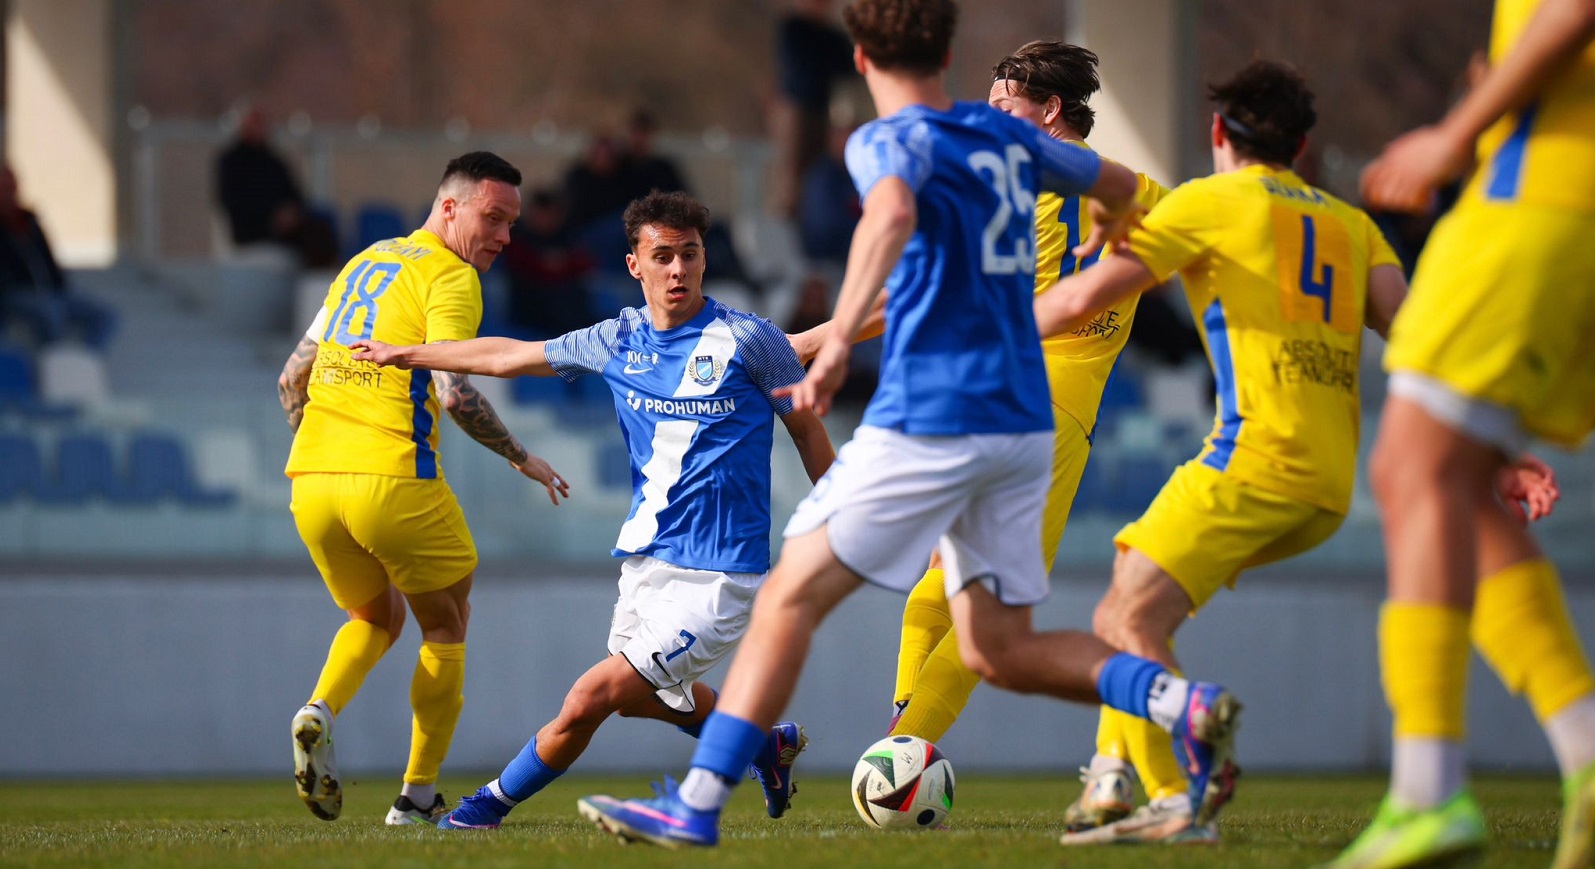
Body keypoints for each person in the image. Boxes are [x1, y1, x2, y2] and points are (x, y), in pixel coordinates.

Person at [576, 0, 1240, 849]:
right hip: (1027, 428)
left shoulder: (905, 137)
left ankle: (697, 804)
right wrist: (1116, 219)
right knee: (992, 641)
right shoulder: (1029, 151)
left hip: (944, 404)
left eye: (1010, 92)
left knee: (789, 593)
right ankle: (1175, 700)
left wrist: (827, 351)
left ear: (859, 60)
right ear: (950, 48)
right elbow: (1125, 190)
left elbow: (890, 230)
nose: (998, 101)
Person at [1030, 59, 1560, 847]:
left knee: (1118, 617)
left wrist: (961, 342)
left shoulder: (1207, 203)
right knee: (1135, 598)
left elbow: (1076, 300)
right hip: (1327, 482)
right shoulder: (1351, 226)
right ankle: (1119, 774)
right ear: (1301, 145)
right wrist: (1504, 453)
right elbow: (1418, 346)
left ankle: (1176, 792)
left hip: (1249, 459)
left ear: (1217, 133)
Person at [350, 190, 836, 830]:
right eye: (662, 256)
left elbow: (806, 432)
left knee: (590, 697)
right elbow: (507, 356)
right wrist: (408, 353)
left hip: (719, 576)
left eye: (689, 255)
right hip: (646, 564)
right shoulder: (615, 339)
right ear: (635, 265)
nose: (678, 271)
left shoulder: (750, 341)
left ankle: (480, 810)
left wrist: (840, 519)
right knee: (643, 701)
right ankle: (767, 749)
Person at [1330, 0, 1595, 865]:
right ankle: (1586, 753)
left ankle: (1426, 789)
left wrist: (1457, 129)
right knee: (1456, 490)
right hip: (1561, 205)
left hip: (1536, 199)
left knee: (1412, 464)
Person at [276, 151, 569, 826]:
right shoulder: (453, 276)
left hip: (312, 481)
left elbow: (293, 376)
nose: (502, 236)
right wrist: (518, 454)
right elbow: (455, 390)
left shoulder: (366, 262)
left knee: (374, 617)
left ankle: (318, 709)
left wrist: (319, 448)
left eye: (511, 223)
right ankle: (416, 795)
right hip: (395, 478)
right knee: (446, 623)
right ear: (449, 208)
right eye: (492, 218)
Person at [0, 167, 116, 350]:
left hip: (50, 290)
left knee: (106, 315)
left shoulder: (29, 221)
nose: (9, 192)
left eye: (11, 186)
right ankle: (53, 357)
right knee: (50, 313)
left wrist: (59, 283)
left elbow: (47, 258)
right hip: (17, 293)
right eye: (4, 187)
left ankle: (84, 357)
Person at [215, 105, 338, 268]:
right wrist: (271, 216)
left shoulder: (273, 162)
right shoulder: (232, 162)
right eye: (254, 123)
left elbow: (295, 194)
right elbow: (232, 200)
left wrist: (291, 214)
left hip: (287, 229)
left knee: (319, 230)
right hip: (253, 229)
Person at [770, 0, 860, 216]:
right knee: (794, 172)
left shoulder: (830, 35)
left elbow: (848, 65)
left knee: (817, 173)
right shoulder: (794, 28)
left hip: (823, 111)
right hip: (797, 110)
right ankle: (789, 216)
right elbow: (802, 69)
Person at [500, 187, 599, 338]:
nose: (545, 219)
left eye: (551, 215)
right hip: (528, 300)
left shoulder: (568, 234)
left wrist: (561, 263)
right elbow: (520, 265)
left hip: (568, 299)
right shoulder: (516, 235)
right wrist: (546, 264)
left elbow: (586, 263)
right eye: (541, 214)